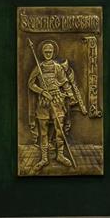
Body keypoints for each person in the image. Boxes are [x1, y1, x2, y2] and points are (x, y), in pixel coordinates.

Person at [27, 40, 85, 171]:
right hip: (44, 101)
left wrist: (71, 96)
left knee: (60, 129)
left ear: (53, 52)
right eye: (45, 51)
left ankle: (60, 155)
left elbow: (65, 83)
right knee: (43, 131)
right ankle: (44, 158)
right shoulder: (39, 67)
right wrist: (42, 91)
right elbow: (30, 84)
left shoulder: (58, 67)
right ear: (42, 52)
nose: (48, 53)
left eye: (50, 51)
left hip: (57, 99)